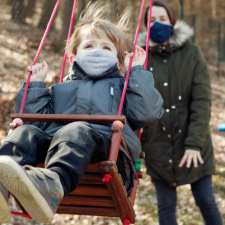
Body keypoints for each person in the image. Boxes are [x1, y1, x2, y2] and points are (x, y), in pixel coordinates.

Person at [0, 4, 164, 224]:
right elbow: (35, 120)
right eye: (89, 46)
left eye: (106, 48)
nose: (97, 51)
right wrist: (36, 86)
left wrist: (135, 73)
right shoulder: (58, 89)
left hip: (106, 152)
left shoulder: (125, 86)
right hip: (58, 148)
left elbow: (147, 113)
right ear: (73, 56)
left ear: (119, 59)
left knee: (76, 129)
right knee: (26, 132)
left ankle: (50, 185)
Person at [139, 1, 224, 225]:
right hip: (158, 146)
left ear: (172, 22)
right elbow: (136, 104)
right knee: (165, 207)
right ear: (146, 26)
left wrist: (194, 143)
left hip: (193, 143)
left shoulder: (193, 54)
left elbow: (202, 101)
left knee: (205, 199)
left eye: (163, 19)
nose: (158, 24)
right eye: (152, 21)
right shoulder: (141, 58)